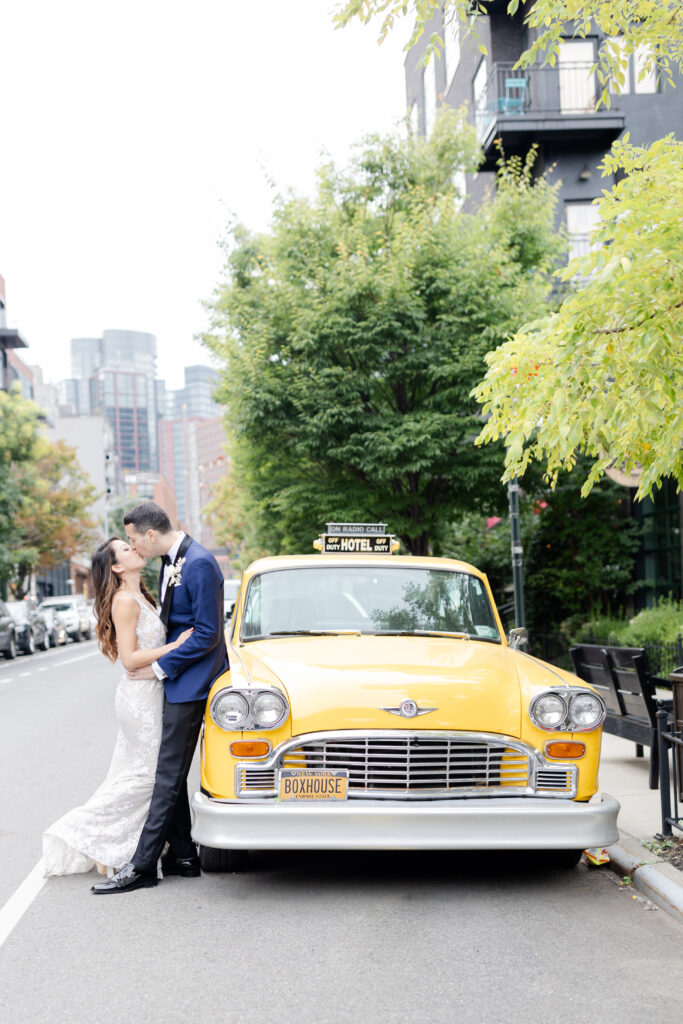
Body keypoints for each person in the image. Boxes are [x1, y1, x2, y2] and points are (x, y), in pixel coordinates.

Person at [91, 501, 228, 894]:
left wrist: (157, 668)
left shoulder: (197, 562)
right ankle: (183, 855)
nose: (134, 546)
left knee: (165, 775)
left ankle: (142, 865)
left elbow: (206, 635)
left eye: (134, 539)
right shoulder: (173, 562)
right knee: (169, 771)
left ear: (151, 534)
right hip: (173, 682)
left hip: (191, 683)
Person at [42, 537, 193, 877]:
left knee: (141, 771)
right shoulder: (125, 601)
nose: (133, 548)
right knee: (150, 776)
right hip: (139, 698)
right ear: (116, 567)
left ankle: (119, 846)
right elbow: (129, 658)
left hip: (150, 691)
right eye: (125, 549)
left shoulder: (143, 594)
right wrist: (175, 647)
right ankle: (81, 829)